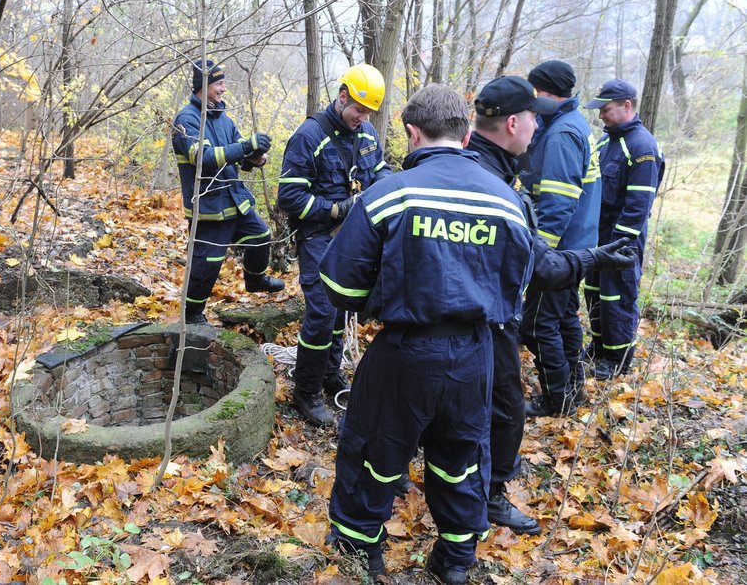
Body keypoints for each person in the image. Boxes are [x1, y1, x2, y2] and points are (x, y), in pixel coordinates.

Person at [321, 84, 535, 584]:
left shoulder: (390, 194)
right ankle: (457, 561)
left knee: (375, 450)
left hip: (405, 351)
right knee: (461, 456)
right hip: (476, 354)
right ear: (465, 135)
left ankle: (361, 554)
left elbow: (336, 283)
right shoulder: (508, 202)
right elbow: (518, 286)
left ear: (413, 133)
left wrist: (384, 298)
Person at [467, 77, 637, 536]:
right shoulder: (497, 179)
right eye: (532, 120)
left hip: (478, 306)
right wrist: (583, 257)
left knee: (557, 327)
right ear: (515, 122)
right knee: (505, 401)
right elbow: (540, 262)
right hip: (486, 314)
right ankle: (488, 495)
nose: (536, 128)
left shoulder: (491, 165)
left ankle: (561, 397)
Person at [277, 63, 391, 426]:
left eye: (368, 112)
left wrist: (386, 189)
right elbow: (290, 197)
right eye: (358, 110)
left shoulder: (368, 132)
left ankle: (330, 372)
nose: (362, 117)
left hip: (355, 237)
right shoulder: (309, 136)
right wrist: (337, 208)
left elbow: (380, 168)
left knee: (343, 309)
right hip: (318, 236)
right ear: (342, 97)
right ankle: (306, 390)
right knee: (323, 312)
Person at [171, 59, 284, 325]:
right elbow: (205, 158)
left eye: (223, 83)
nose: (223, 89)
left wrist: (255, 158)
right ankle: (193, 315)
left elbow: (238, 155)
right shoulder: (186, 119)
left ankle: (255, 280)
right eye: (219, 83)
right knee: (207, 265)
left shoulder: (224, 118)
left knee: (260, 235)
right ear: (204, 85)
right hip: (208, 207)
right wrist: (245, 148)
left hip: (234, 199)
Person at [519, 60, 602, 417]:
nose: (534, 99)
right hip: (577, 246)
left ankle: (557, 399)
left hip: (562, 249)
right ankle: (573, 389)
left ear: (550, 93)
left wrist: (542, 256)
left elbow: (557, 204)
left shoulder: (563, 134)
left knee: (537, 324)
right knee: (565, 316)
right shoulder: (569, 124)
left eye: (537, 92)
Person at [583, 79, 665, 378]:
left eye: (606, 109)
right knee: (594, 292)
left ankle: (618, 359)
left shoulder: (643, 146)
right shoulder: (607, 141)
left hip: (622, 241)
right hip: (598, 236)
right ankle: (599, 345)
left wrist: (618, 244)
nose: (601, 115)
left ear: (626, 106)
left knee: (617, 296)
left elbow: (638, 205)